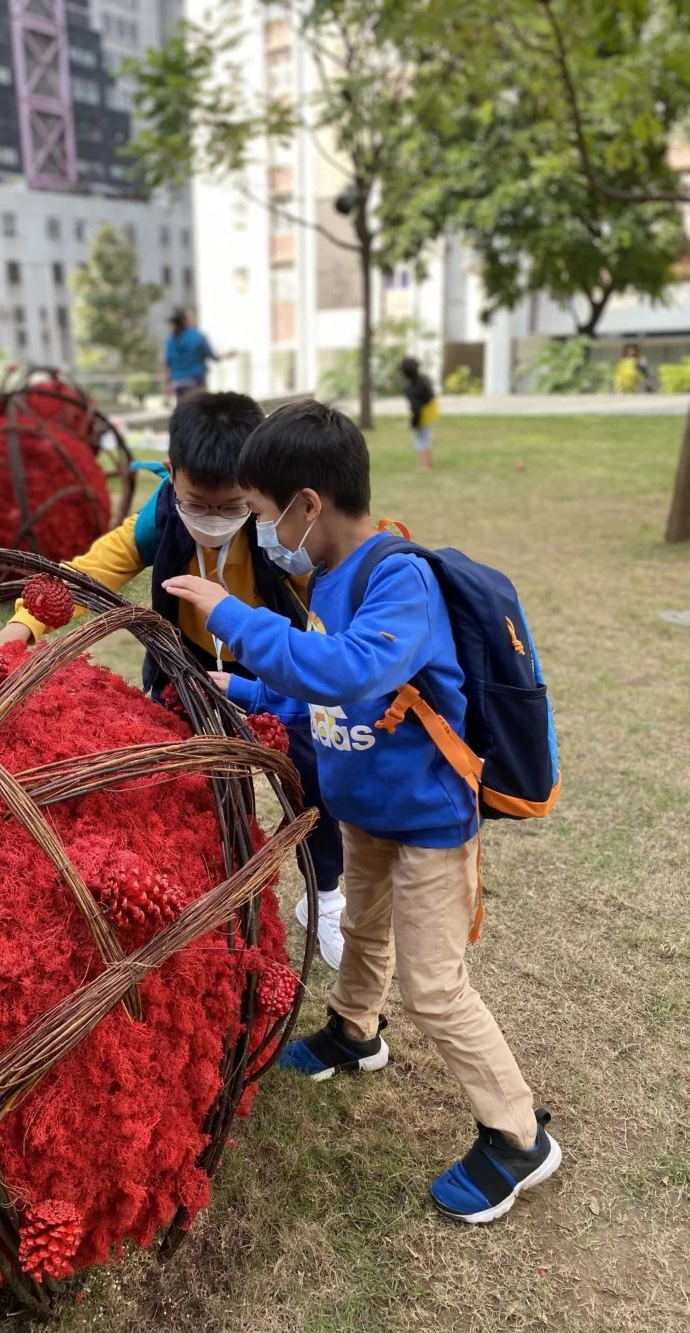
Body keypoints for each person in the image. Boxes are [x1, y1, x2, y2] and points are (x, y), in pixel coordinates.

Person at [162, 399, 561, 1224]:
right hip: (366, 808)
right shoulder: (326, 576)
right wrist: (231, 682)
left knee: (435, 985)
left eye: (265, 515)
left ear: (307, 505)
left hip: (428, 821)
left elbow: (347, 670)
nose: (261, 532)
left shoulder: (398, 578)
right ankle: (354, 1031)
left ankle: (519, 1136)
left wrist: (228, 614)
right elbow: (308, 681)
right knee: (367, 933)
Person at [0, 391, 347, 965]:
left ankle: (324, 891)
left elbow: (329, 617)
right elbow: (83, 576)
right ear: (172, 474)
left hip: (272, 671)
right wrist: (22, 626)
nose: (213, 518)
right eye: (196, 503)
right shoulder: (159, 522)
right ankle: (204, 897)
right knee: (178, 786)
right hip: (182, 671)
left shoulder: (284, 539)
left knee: (314, 772)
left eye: (232, 505)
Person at [164, 309, 219, 400]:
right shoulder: (197, 336)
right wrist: (224, 356)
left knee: (182, 409)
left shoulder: (170, 340)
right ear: (186, 321)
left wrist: (167, 383)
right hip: (195, 380)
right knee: (199, 408)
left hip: (177, 382)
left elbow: (167, 363)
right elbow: (211, 355)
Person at [400, 356, 439, 470]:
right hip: (433, 412)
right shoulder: (424, 379)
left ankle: (425, 465)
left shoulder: (410, 389)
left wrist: (414, 423)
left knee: (419, 442)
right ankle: (430, 463)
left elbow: (416, 409)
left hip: (424, 416)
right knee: (426, 439)